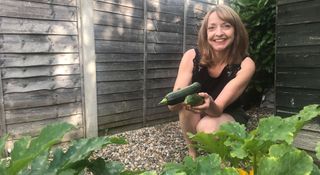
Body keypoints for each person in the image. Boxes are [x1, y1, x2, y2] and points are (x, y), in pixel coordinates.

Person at [168, 4, 255, 158]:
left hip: (227, 112)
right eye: (212, 28)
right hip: (198, 109)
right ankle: (193, 152)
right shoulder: (191, 56)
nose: (219, 33)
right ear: (205, 33)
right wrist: (174, 101)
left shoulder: (246, 64)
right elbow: (174, 101)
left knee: (207, 127)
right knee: (185, 105)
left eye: (226, 26)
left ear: (236, 31)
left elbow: (218, 108)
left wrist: (210, 104)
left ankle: (221, 159)